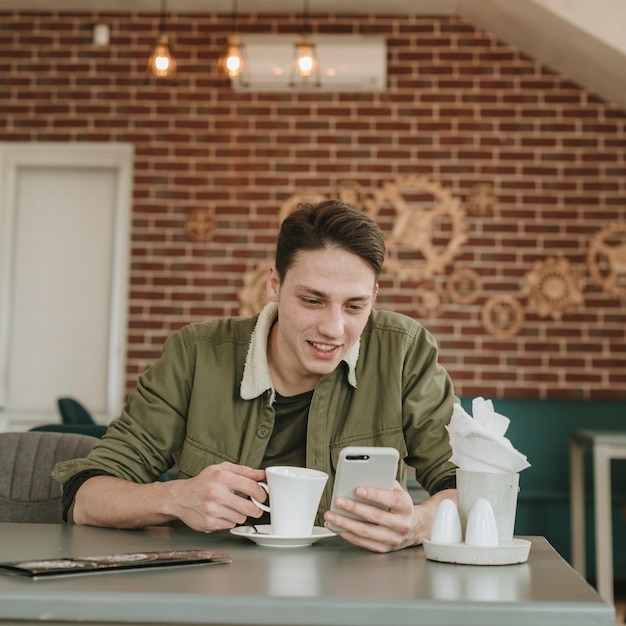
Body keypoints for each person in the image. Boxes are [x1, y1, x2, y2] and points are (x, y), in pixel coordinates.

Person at [53, 199, 458, 553]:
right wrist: (176, 497)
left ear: (373, 298)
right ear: (274, 283)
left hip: (356, 600)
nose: (334, 329)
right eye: (312, 301)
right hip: (214, 598)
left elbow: (474, 491)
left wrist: (417, 524)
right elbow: (86, 498)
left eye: (354, 307)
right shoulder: (196, 355)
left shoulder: (405, 351)